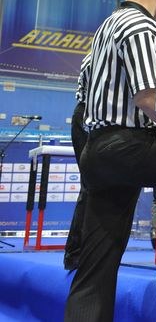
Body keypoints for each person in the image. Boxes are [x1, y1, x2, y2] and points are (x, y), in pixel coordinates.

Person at [64, 0, 156, 322]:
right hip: (128, 145)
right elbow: (148, 98)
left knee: (96, 264)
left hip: (99, 148)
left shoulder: (109, 24)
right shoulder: (140, 26)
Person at [62, 53, 90, 271]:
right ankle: (75, 252)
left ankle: (78, 251)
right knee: (90, 186)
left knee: (92, 187)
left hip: (88, 116)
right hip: (89, 117)